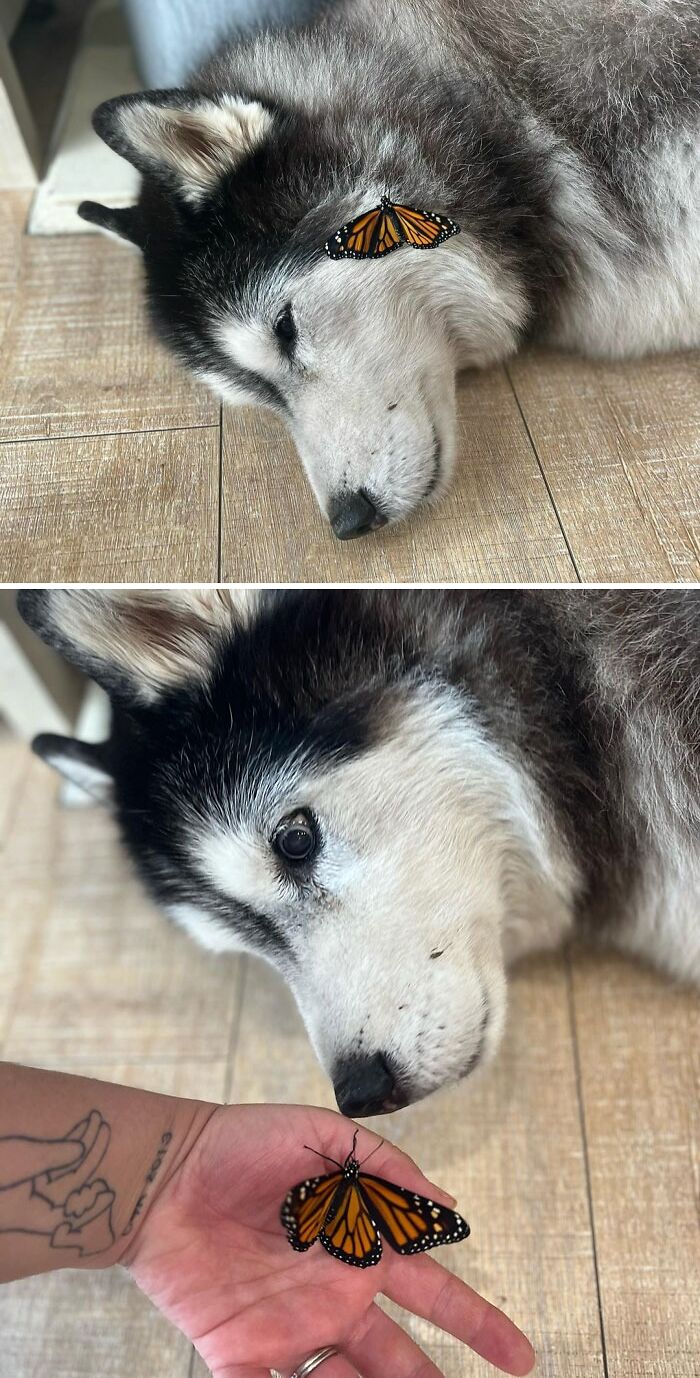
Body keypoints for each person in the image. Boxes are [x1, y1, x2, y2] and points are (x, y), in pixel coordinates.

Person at [0, 1063, 535, 1378]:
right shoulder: (335, 1192)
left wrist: (169, 1167)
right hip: (347, 1223)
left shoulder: (320, 1194)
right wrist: (169, 1167)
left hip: (340, 1224)